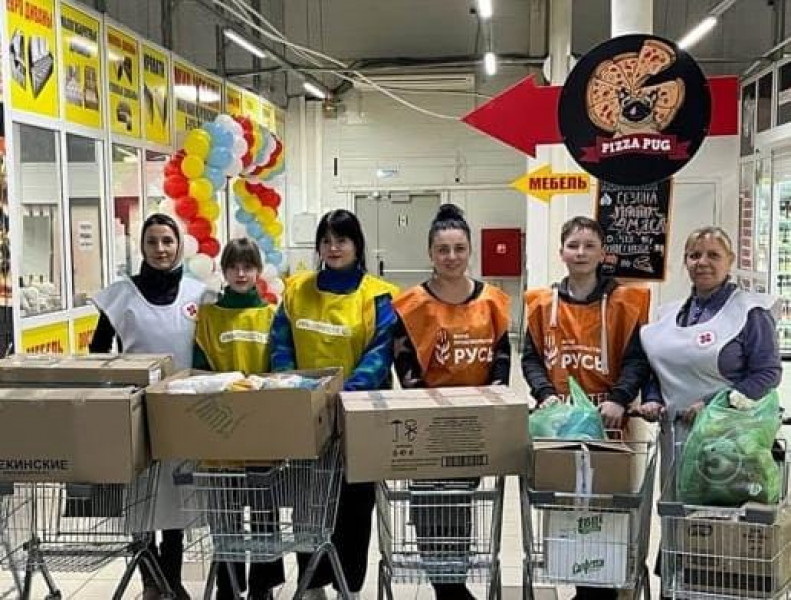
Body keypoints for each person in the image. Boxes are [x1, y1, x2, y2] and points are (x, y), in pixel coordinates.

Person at [269, 209, 398, 600]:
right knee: (308, 504)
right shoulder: (296, 291)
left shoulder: (377, 294)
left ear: (357, 245)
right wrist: (295, 387)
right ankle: (312, 584)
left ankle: (349, 586)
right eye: (326, 241)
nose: (333, 247)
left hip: (357, 416)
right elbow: (280, 342)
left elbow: (381, 350)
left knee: (355, 506)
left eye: (341, 240)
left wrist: (349, 394)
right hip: (306, 416)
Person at [521, 216, 651, 600]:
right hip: (561, 427)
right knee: (568, 509)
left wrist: (620, 398)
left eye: (589, 245)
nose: (580, 252)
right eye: (573, 245)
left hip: (612, 426)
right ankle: (582, 584)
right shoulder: (541, 304)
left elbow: (637, 359)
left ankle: (604, 589)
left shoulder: (626, 302)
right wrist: (544, 392)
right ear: (561, 252)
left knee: (608, 510)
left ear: (602, 253)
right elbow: (531, 358)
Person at [392, 203, 511, 600]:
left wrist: (491, 401)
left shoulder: (492, 300)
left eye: (459, 248)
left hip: (475, 422)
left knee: (462, 503)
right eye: (443, 249)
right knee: (429, 505)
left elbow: (502, 356)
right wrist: (433, 409)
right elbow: (405, 364)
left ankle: (453, 582)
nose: (451, 257)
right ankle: (448, 588)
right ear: (430, 253)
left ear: (470, 250)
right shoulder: (412, 304)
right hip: (429, 423)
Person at [90, 213, 207, 600]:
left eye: (167, 241)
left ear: (179, 245)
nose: (160, 249)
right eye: (152, 241)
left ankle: (171, 582)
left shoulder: (197, 294)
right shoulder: (121, 295)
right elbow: (98, 352)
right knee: (140, 503)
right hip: (135, 413)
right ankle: (150, 581)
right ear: (141, 246)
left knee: (174, 502)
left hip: (180, 412)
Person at [639, 226, 782, 484]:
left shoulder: (751, 312)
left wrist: (715, 404)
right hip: (676, 436)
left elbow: (768, 373)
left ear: (731, 260)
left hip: (732, 438)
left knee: (720, 504)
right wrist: (652, 397)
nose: (702, 262)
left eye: (713, 255)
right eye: (694, 256)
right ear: (686, 262)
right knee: (676, 502)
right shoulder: (667, 315)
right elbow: (659, 370)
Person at [192, 237, 285, 600]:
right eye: (234, 267)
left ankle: (263, 586)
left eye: (248, 267)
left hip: (262, 431)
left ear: (258, 271)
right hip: (220, 429)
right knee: (225, 518)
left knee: (264, 513)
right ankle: (229, 586)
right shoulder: (209, 317)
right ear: (224, 271)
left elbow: (280, 369)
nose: (241, 274)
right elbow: (199, 370)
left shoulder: (272, 315)